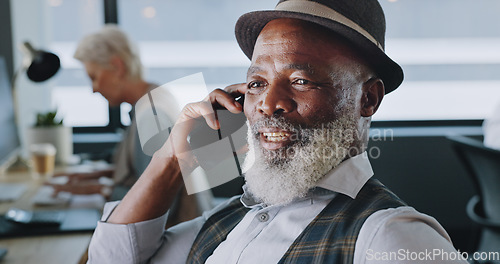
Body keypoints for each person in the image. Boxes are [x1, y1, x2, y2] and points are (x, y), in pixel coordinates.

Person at [87, 1, 468, 263]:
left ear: (368, 99)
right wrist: (172, 156)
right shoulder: (230, 220)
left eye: (301, 80)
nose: (269, 104)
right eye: (255, 84)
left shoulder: (389, 237)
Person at [54, 25, 208, 226]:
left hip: (178, 236)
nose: (93, 89)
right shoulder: (156, 95)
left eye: (94, 77)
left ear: (117, 67)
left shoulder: (151, 116)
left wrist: (103, 189)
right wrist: (97, 176)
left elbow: (160, 195)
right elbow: (146, 171)